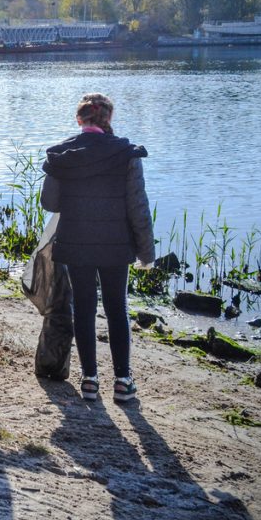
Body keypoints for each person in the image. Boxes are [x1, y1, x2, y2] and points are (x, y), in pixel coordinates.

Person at [40, 93, 155, 403]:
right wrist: (147, 251)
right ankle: (122, 381)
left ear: (80, 120)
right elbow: (137, 206)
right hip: (116, 244)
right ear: (109, 119)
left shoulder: (62, 154)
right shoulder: (126, 153)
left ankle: (89, 380)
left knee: (85, 308)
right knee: (117, 308)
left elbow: (49, 202)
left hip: (76, 242)